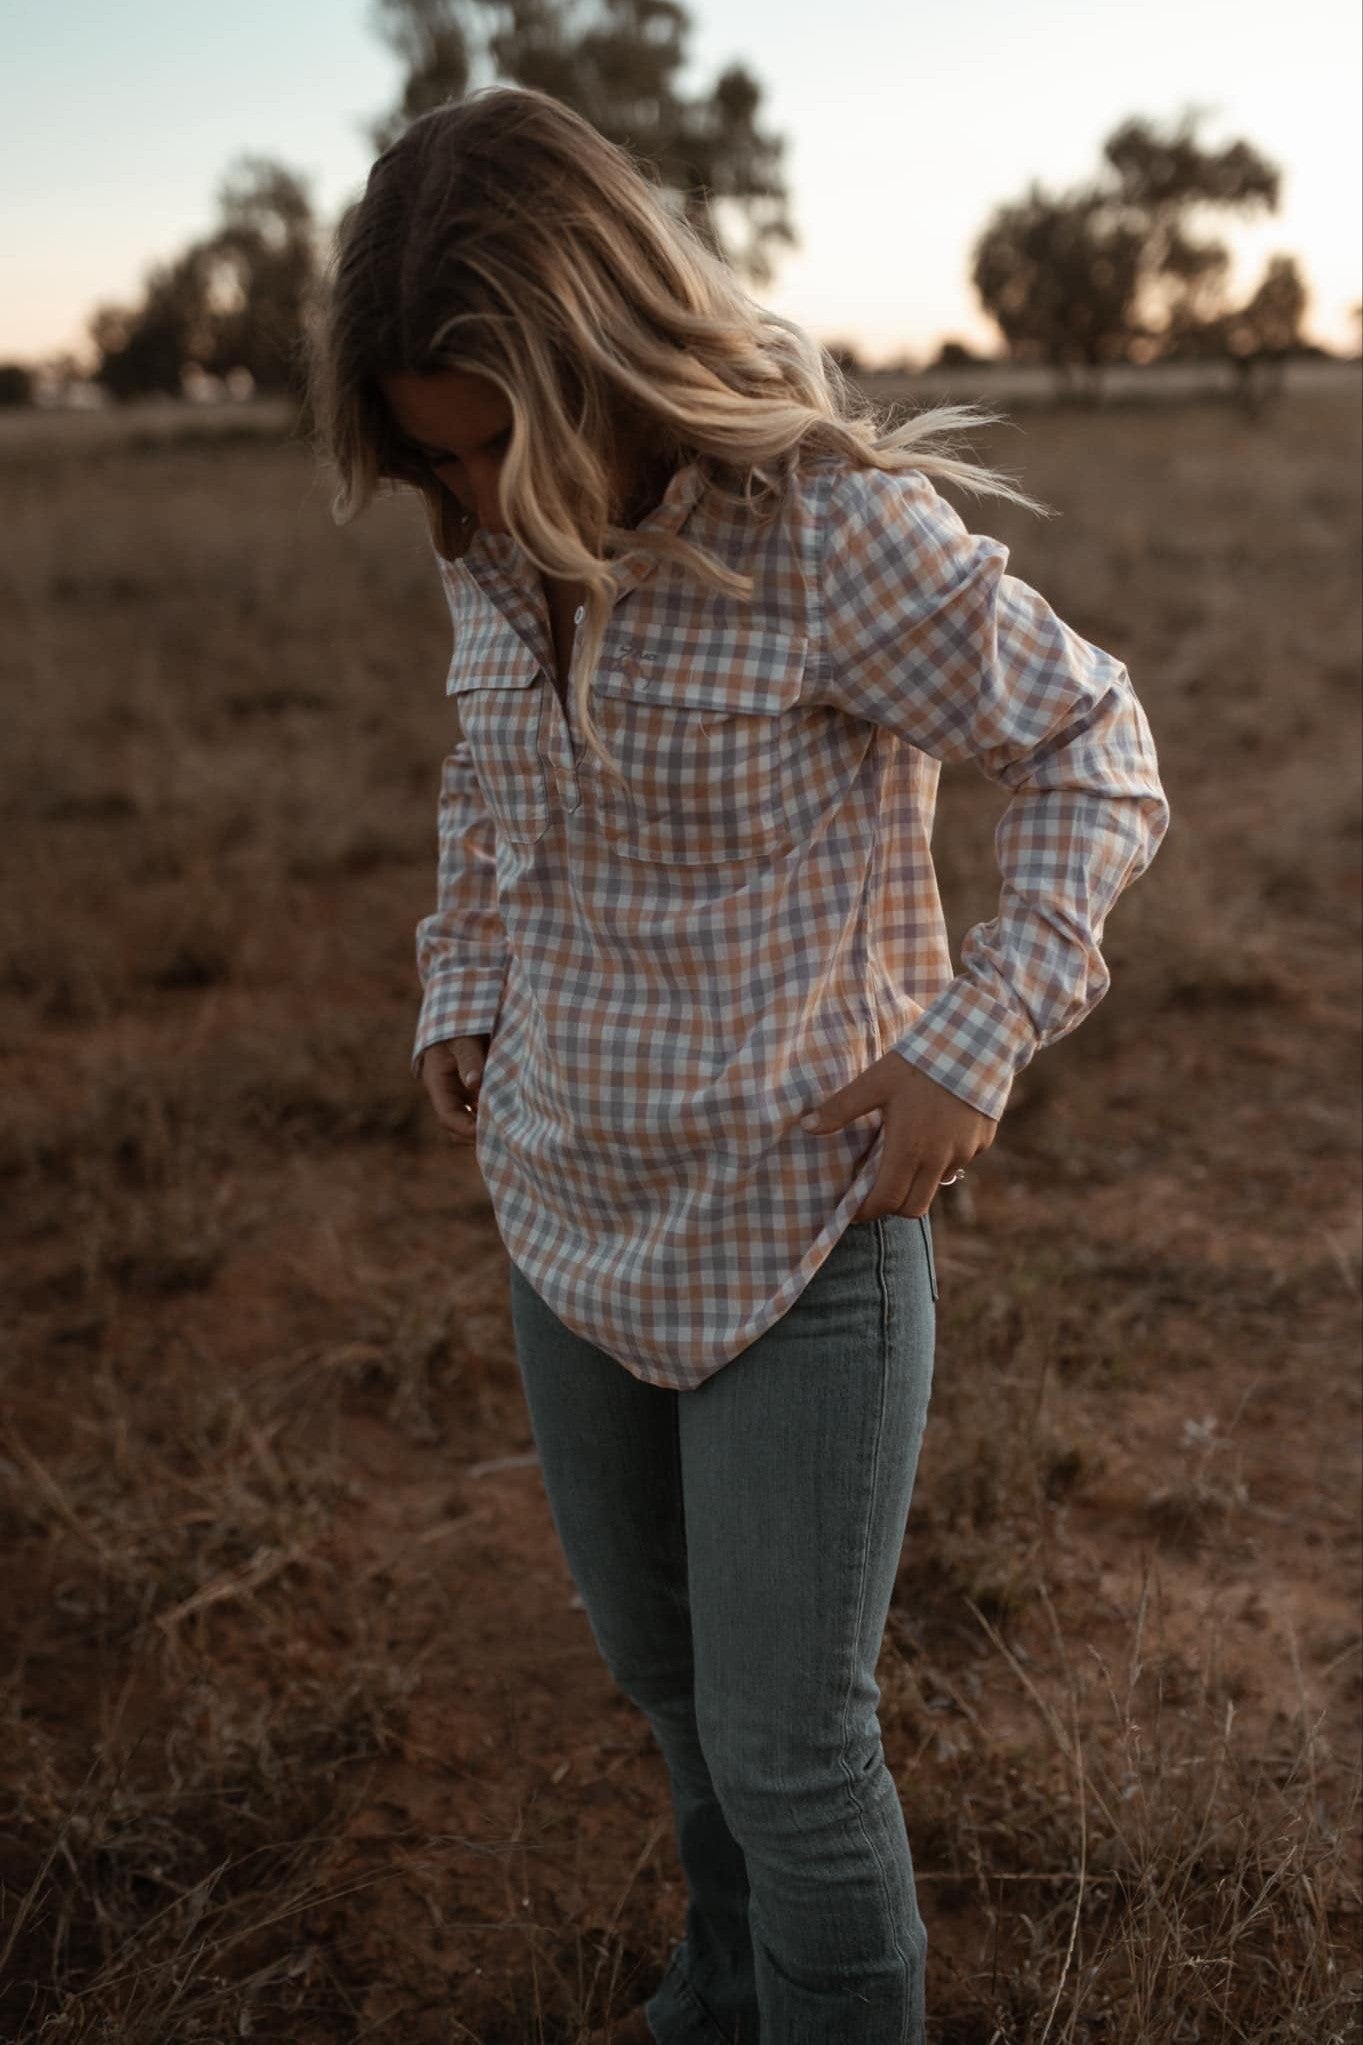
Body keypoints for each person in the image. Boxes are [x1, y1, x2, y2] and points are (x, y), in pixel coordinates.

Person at [308, 84, 1171, 2045]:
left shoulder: (826, 538)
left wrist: (971, 1040)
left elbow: (1092, 750)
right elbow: (491, 788)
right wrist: (462, 979)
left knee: (791, 1754)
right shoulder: (484, 541)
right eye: (436, 463)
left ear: (605, 346)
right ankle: (717, 1995)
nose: (477, 494)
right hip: (561, 1210)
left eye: (502, 437)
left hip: (801, 1229)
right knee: (675, 1707)